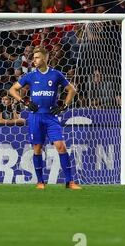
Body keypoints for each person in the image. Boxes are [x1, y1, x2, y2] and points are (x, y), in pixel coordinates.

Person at [8, 45, 81, 190]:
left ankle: (70, 182)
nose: (34, 60)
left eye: (36, 57)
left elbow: (72, 90)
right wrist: (25, 102)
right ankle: (40, 181)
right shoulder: (30, 75)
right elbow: (12, 89)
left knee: (61, 146)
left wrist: (64, 106)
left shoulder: (56, 74)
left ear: (45, 58)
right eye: (33, 58)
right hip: (35, 117)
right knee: (37, 148)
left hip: (51, 117)